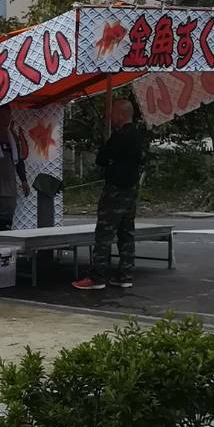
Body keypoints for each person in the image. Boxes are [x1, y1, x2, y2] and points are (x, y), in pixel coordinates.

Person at [73, 98, 147, 290]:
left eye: (113, 113)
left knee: (104, 233)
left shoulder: (120, 137)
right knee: (126, 233)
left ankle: (97, 276)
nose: (110, 116)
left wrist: (107, 146)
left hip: (115, 190)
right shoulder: (138, 136)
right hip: (131, 189)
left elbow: (102, 158)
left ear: (122, 114)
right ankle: (126, 274)